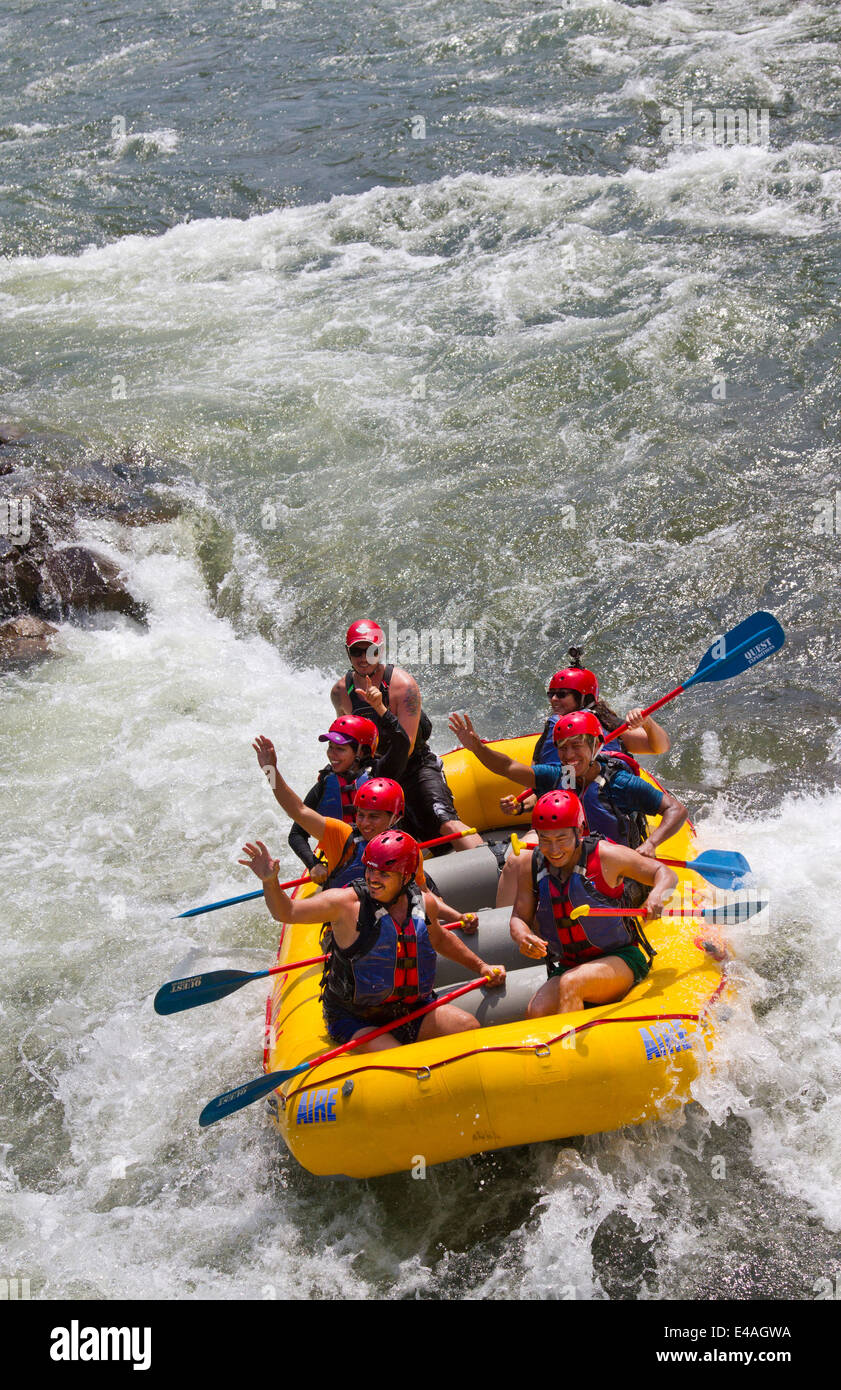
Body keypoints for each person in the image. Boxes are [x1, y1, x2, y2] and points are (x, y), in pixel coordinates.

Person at [239, 830, 505, 1051]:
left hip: (410, 1010)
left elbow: (442, 940)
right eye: (370, 870)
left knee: (467, 1028)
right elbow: (287, 912)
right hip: (356, 1017)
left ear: (407, 876)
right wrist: (270, 882)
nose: (373, 879)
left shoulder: (424, 904)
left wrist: (481, 967)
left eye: (384, 874)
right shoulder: (345, 905)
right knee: (399, 1059)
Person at [447, 709, 687, 907]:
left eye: (576, 746)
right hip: (569, 860)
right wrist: (477, 747)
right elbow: (509, 767)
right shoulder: (564, 776)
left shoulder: (620, 783)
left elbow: (676, 810)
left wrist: (651, 844)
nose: (569, 755)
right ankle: (505, 934)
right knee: (516, 863)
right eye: (562, 747)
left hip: (616, 873)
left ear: (596, 745)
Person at [253, 738, 475, 927]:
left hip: (391, 925)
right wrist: (270, 771)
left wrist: (458, 917)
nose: (365, 823)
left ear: (394, 818)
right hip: (349, 928)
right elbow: (297, 810)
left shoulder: (405, 848)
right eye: (361, 815)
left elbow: (424, 894)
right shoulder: (340, 834)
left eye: (374, 817)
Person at [508, 791, 678, 1019]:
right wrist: (522, 937)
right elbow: (519, 916)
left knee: (572, 983)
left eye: (561, 839)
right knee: (536, 1010)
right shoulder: (531, 865)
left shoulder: (607, 856)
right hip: (570, 964)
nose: (554, 850)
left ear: (579, 831)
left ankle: (569, 1050)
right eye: (545, 840)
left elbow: (664, 872)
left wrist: (657, 895)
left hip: (621, 959)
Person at [331, 619, 482, 850]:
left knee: (446, 824)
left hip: (415, 767)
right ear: (347, 652)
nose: (363, 658)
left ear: (380, 650)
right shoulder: (341, 692)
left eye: (370, 651)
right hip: (379, 773)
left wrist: (381, 708)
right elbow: (346, 742)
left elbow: (407, 745)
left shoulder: (403, 686)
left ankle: (492, 867)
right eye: (356, 651)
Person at [285, 708, 409, 874]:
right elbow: (296, 834)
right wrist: (313, 864)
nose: (332, 754)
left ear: (362, 751)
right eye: (330, 747)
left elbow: (402, 743)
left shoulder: (380, 773)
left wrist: (380, 708)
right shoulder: (324, 785)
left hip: (386, 857)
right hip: (343, 863)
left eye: (340, 749)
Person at [532, 648, 670, 766]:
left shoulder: (607, 723)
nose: (554, 699)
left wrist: (648, 723)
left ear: (584, 698)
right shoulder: (553, 727)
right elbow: (535, 775)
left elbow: (660, 747)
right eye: (551, 694)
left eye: (562, 694)